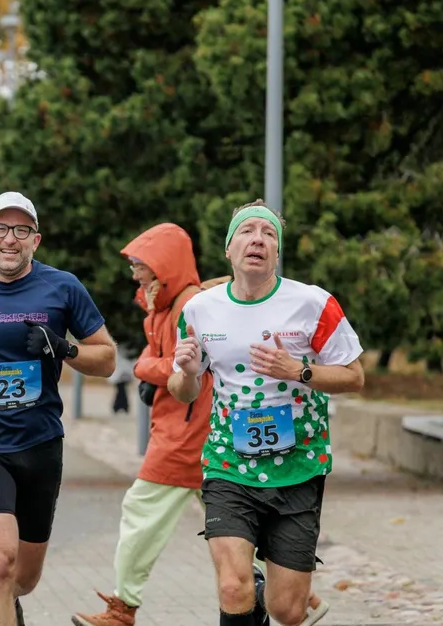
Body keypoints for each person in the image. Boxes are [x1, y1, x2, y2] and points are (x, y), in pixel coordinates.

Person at [169, 200, 362, 626]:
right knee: (231, 586)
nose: (258, 239)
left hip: (299, 466)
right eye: (247, 231)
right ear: (228, 248)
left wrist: (299, 370)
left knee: (287, 611)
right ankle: (247, 591)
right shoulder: (200, 310)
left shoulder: (313, 303)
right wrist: (184, 371)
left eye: (268, 233)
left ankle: (264, 593)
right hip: (228, 463)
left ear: (277, 251)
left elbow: (354, 377)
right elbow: (182, 392)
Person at [0, 191, 118, 626]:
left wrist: (64, 347)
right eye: (0, 229)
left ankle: (8, 608)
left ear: (36, 239)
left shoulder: (63, 287)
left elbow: (106, 358)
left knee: (24, 577)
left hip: (39, 444)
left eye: (20, 230)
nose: (9, 239)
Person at [72, 223, 216, 626]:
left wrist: (142, 367)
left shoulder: (186, 307)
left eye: (141, 264)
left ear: (164, 266)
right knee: (232, 524)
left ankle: (122, 609)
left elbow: (181, 364)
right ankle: (294, 595)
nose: (135, 272)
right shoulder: (170, 303)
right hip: (187, 430)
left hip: (185, 434)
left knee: (141, 511)